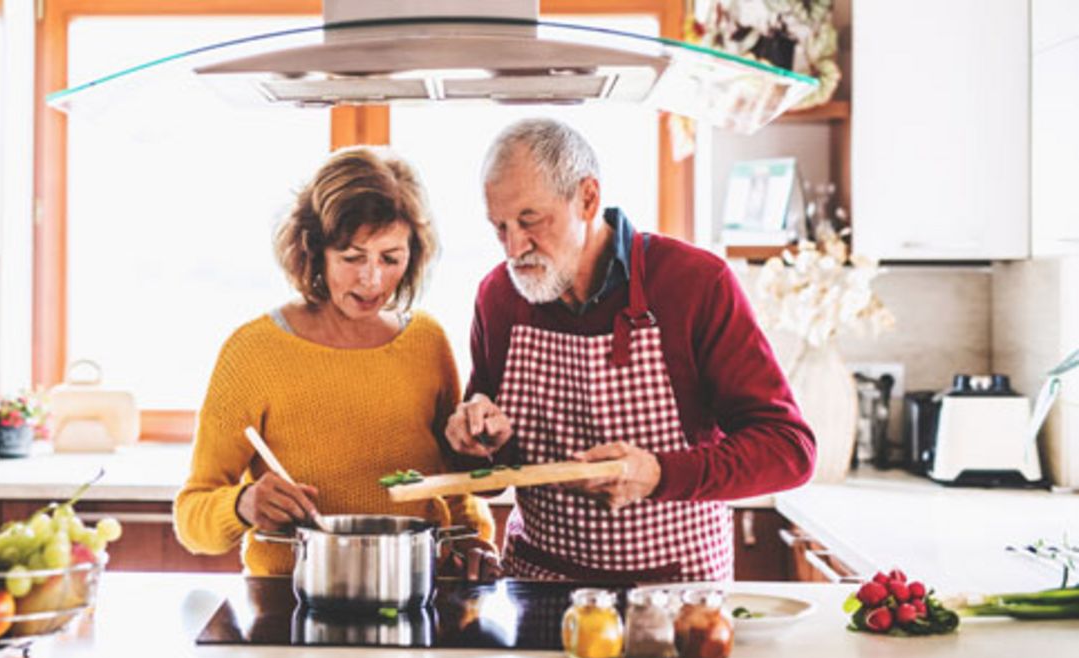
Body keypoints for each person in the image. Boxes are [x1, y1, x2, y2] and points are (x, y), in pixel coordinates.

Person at [445, 118, 815, 582]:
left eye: (530, 220)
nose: (514, 247)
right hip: (538, 585)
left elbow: (789, 450)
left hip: (675, 593)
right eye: (499, 227)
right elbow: (480, 461)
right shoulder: (499, 296)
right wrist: (479, 440)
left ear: (588, 198)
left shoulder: (695, 284)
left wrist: (658, 473)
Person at [175, 146, 498, 579]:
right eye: (351, 257)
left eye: (390, 258)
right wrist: (241, 504)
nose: (372, 279)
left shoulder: (426, 341)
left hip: (414, 589)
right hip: (291, 600)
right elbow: (192, 518)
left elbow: (455, 485)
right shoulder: (253, 352)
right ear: (313, 251)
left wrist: (474, 540)